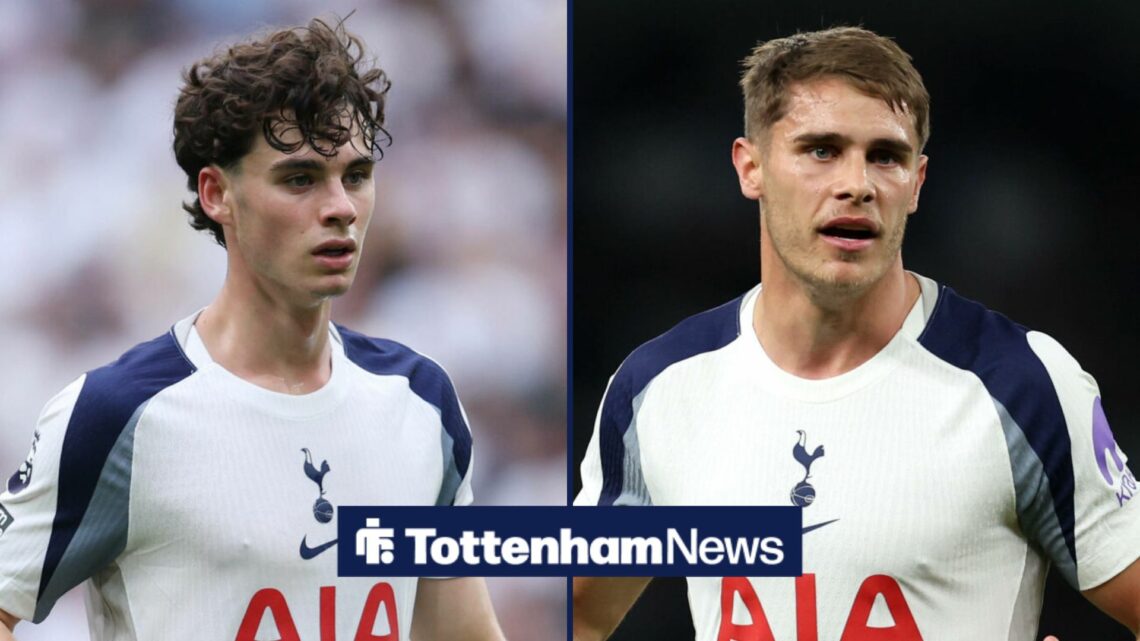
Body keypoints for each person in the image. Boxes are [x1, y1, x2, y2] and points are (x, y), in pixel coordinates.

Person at [573, 26, 1140, 641]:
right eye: (821, 150)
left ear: (917, 183)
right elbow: (576, 610)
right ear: (751, 166)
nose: (857, 184)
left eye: (886, 157)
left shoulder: (1021, 382)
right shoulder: (660, 387)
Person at [0, 17, 504, 641]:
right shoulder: (115, 415)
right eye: (299, 178)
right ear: (217, 193)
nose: (341, 207)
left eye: (356, 175)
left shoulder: (422, 400)